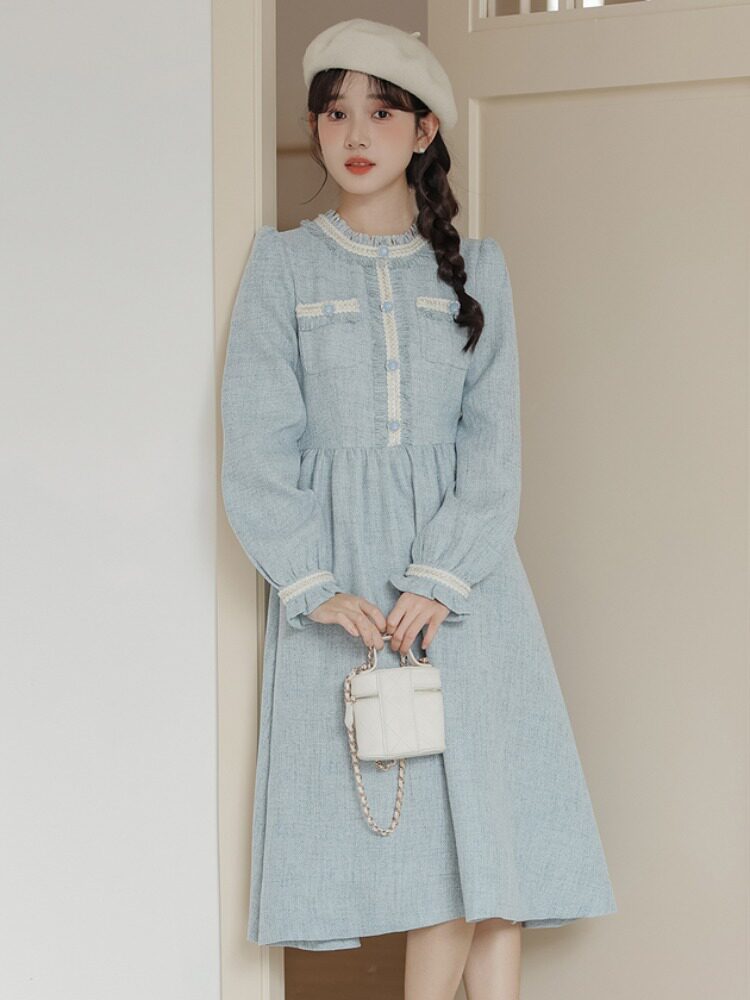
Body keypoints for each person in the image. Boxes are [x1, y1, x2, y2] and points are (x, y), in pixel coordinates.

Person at [220, 18, 617, 999]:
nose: (355, 134)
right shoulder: (283, 266)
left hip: (467, 588)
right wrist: (312, 582)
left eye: (382, 112)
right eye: (334, 113)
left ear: (425, 128)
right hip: (350, 591)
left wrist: (443, 576)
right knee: (431, 862)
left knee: (492, 855)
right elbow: (257, 441)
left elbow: (494, 442)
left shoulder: (478, 269)